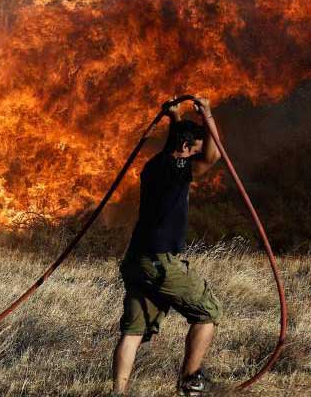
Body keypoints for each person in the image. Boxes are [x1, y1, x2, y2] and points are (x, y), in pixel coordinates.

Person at [112, 96, 223, 396]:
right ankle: (190, 381)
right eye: (194, 149)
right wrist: (208, 116)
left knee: (132, 332)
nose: (197, 156)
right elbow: (213, 157)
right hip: (161, 262)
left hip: (136, 261)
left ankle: (117, 393)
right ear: (186, 149)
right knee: (208, 312)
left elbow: (176, 147)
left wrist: (175, 117)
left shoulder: (154, 165)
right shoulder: (179, 169)